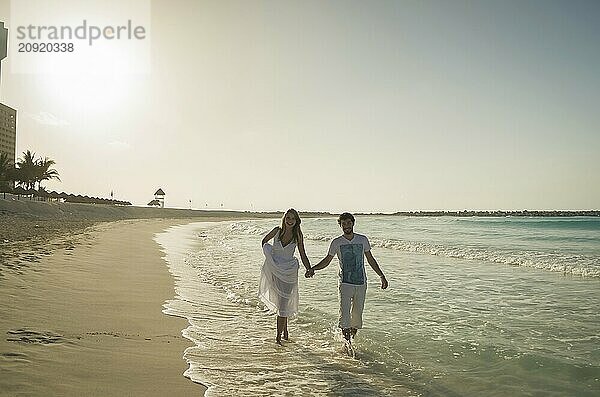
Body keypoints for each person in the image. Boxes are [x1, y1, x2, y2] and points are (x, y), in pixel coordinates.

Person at [306, 212, 388, 342]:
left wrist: (381, 276)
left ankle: (351, 341)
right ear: (340, 225)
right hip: (345, 284)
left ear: (353, 223)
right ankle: (347, 344)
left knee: (356, 317)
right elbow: (327, 260)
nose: (346, 226)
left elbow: (370, 259)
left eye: (349, 223)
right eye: (343, 224)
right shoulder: (336, 242)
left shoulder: (362, 240)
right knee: (345, 316)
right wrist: (313, 268)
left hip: (361, 283)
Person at [259, 208, 311, 344]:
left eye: (293, 218)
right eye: (288, 218)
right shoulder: (277, 231)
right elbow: (264, 241)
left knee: (283, 303)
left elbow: (303, 253)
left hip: (289, 272)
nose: (290, 221)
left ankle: (278, 337)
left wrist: (309, 268)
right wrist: (269, 256)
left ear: (296, 221)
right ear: (284, 219)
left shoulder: (298, 235)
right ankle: (285, 332)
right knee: (281, 302)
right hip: (275, 270)